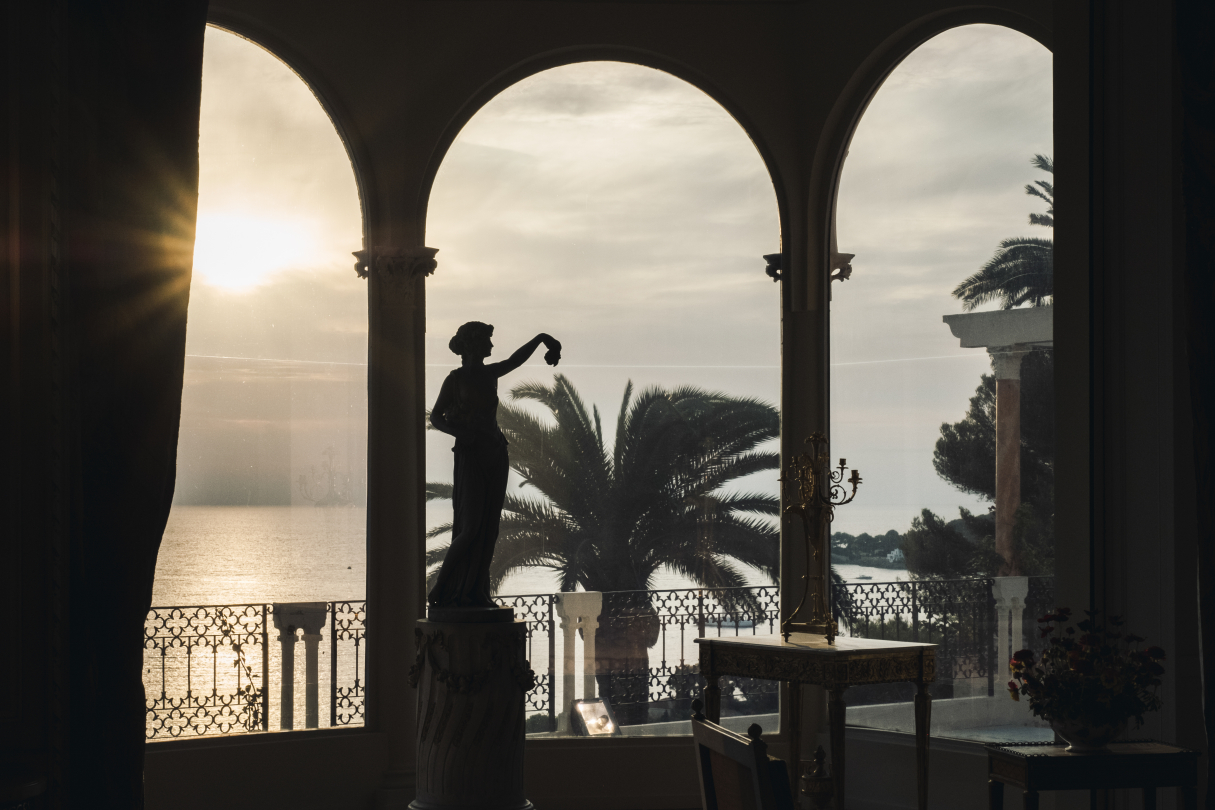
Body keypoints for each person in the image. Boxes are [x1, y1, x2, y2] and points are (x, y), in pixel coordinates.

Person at [428, 321, 562, 610]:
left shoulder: (490, 374)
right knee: (471, 526)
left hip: (495, 453)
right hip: (472, 455)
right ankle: (441, 586)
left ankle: (476, 591)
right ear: (475, 345)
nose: (491, 345)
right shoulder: (455, 380)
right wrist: (459, 432)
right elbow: (436, 416)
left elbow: (516, 360)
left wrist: (541, 338)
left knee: (489, 529)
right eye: (487, 340)